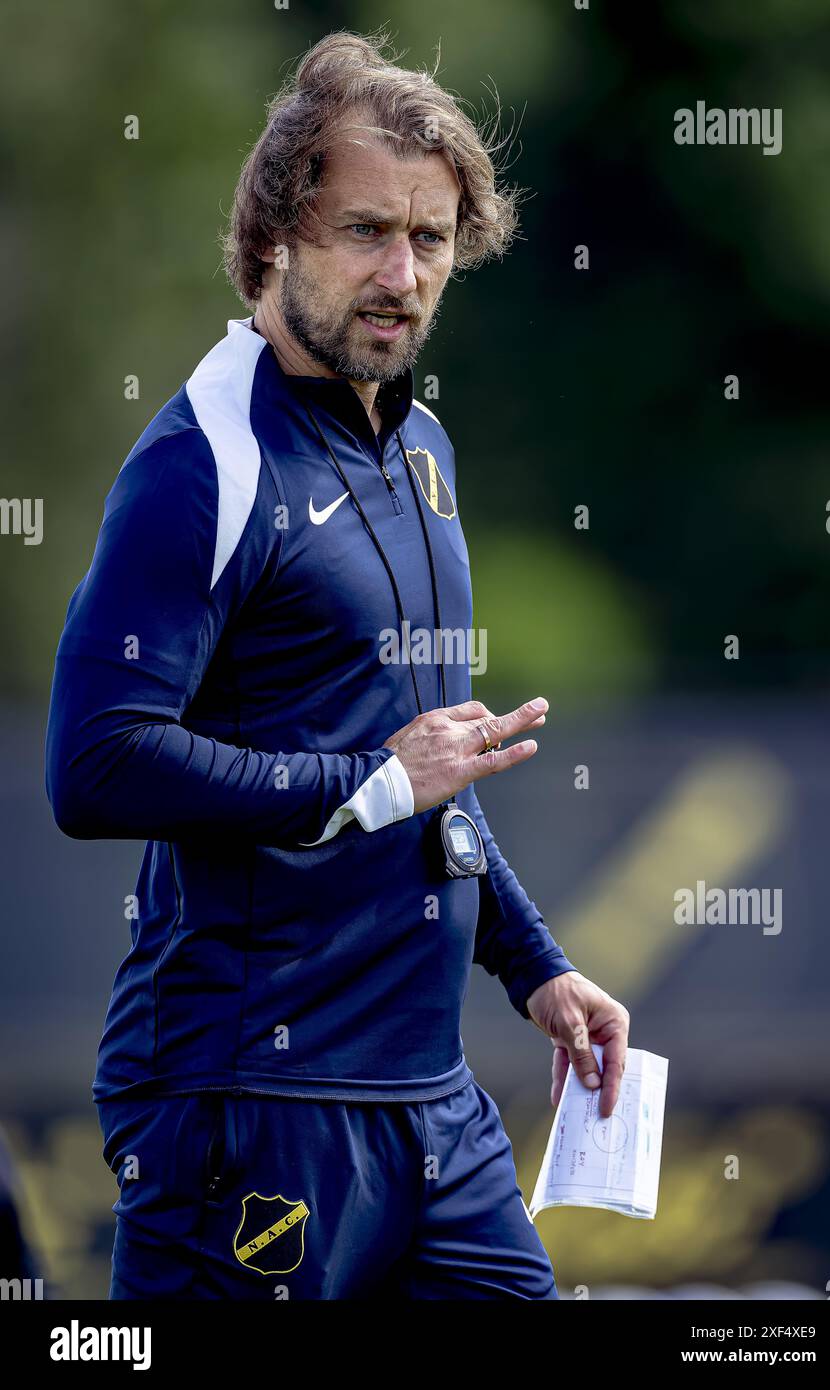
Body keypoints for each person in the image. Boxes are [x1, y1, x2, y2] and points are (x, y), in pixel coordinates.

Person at [45, 30, 629, 1301]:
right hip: (241, 1101)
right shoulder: (202, 457)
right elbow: (92, 765)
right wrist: (362, 781)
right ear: (272, 240)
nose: (400, 273)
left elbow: (424, 768)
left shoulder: (421, 444)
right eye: (365, 231)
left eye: (429, 240)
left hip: (427, 1104)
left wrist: (535, 966)